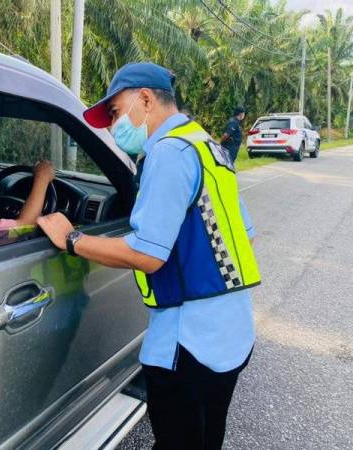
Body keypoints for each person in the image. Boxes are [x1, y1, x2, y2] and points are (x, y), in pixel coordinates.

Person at [37, 62, 261, 450]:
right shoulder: (208, 148)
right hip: (231, 332)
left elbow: (147, 253)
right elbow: (245, 237)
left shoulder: (168, 153)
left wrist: (72, 239)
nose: (111, 125)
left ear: (144, 99)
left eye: (115, 112)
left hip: (188, 344)